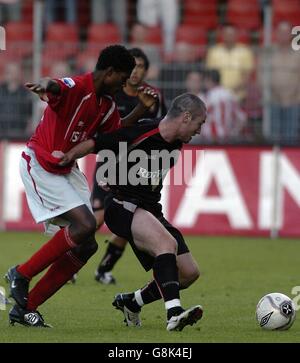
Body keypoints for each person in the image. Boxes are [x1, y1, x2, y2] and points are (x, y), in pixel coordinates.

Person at [6, 45, 157, 328]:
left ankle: (26, 308)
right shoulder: (78, 86)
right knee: (86, 224)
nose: (124, 85)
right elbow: (58, 87)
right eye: (122, 79)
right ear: (109, 72)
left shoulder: (107, 104)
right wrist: (46, 86)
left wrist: (140, 110)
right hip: (40, 163)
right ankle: (21, 274)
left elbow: (114, 134)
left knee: (87, 245)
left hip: (66, 168)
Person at [59, 93, 207, 331]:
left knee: (189, 274)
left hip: (150, 210)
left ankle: (132, 302)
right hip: (122, 206)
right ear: (186, 117)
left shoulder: (176, 142)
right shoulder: (141, 133)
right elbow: (98, 143)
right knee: (165, 244)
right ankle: (174, 313)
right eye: (199, 123)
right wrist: (66, 158)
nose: (199, 130)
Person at [93, 47, 167, 285]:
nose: (136, 72)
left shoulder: (154, 96)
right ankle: (70, 260)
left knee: (129, 220)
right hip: (110, 162)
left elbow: (163, 129)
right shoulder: (113, 94)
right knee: (96, 219)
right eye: (133, 67)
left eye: (141, 66)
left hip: (136, 167)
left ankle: (103, 269)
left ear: (146, 70)